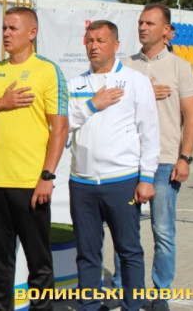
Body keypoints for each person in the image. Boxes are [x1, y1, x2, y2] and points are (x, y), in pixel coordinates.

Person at [0, 6, 68, 311]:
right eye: (4, 28)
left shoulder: (47, 70)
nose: (6, 33)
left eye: (13, 28)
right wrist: (1, 103)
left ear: (32, 33)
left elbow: (60, 128)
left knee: (38, 261)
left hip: (30, 183)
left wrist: (47, 176)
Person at [68, 20, 159, 311]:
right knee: (87, 252)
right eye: (90, 41)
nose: (94, 46)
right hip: (82, 182)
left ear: (116, 45)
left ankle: (133, 305)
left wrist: (147, 177)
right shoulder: (75, 84)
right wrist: (91, 105)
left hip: (122, 180)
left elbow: (149, 131)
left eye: (101, 41)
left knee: (129, 250)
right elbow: (62, 125)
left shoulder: (135, 81)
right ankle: (90, 306)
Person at [125, 3, 193, 311]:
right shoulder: (126, 65)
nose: (143, 28)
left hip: (165, 161)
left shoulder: (180, 67)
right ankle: (124, 290)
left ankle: (161, 293)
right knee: (125, 233)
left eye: (150, 23)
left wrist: (185, 158)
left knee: (163, 232)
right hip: (128, 161)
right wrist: (141, 92)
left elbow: (191, 116)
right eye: (141, 23)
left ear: (166, 30)